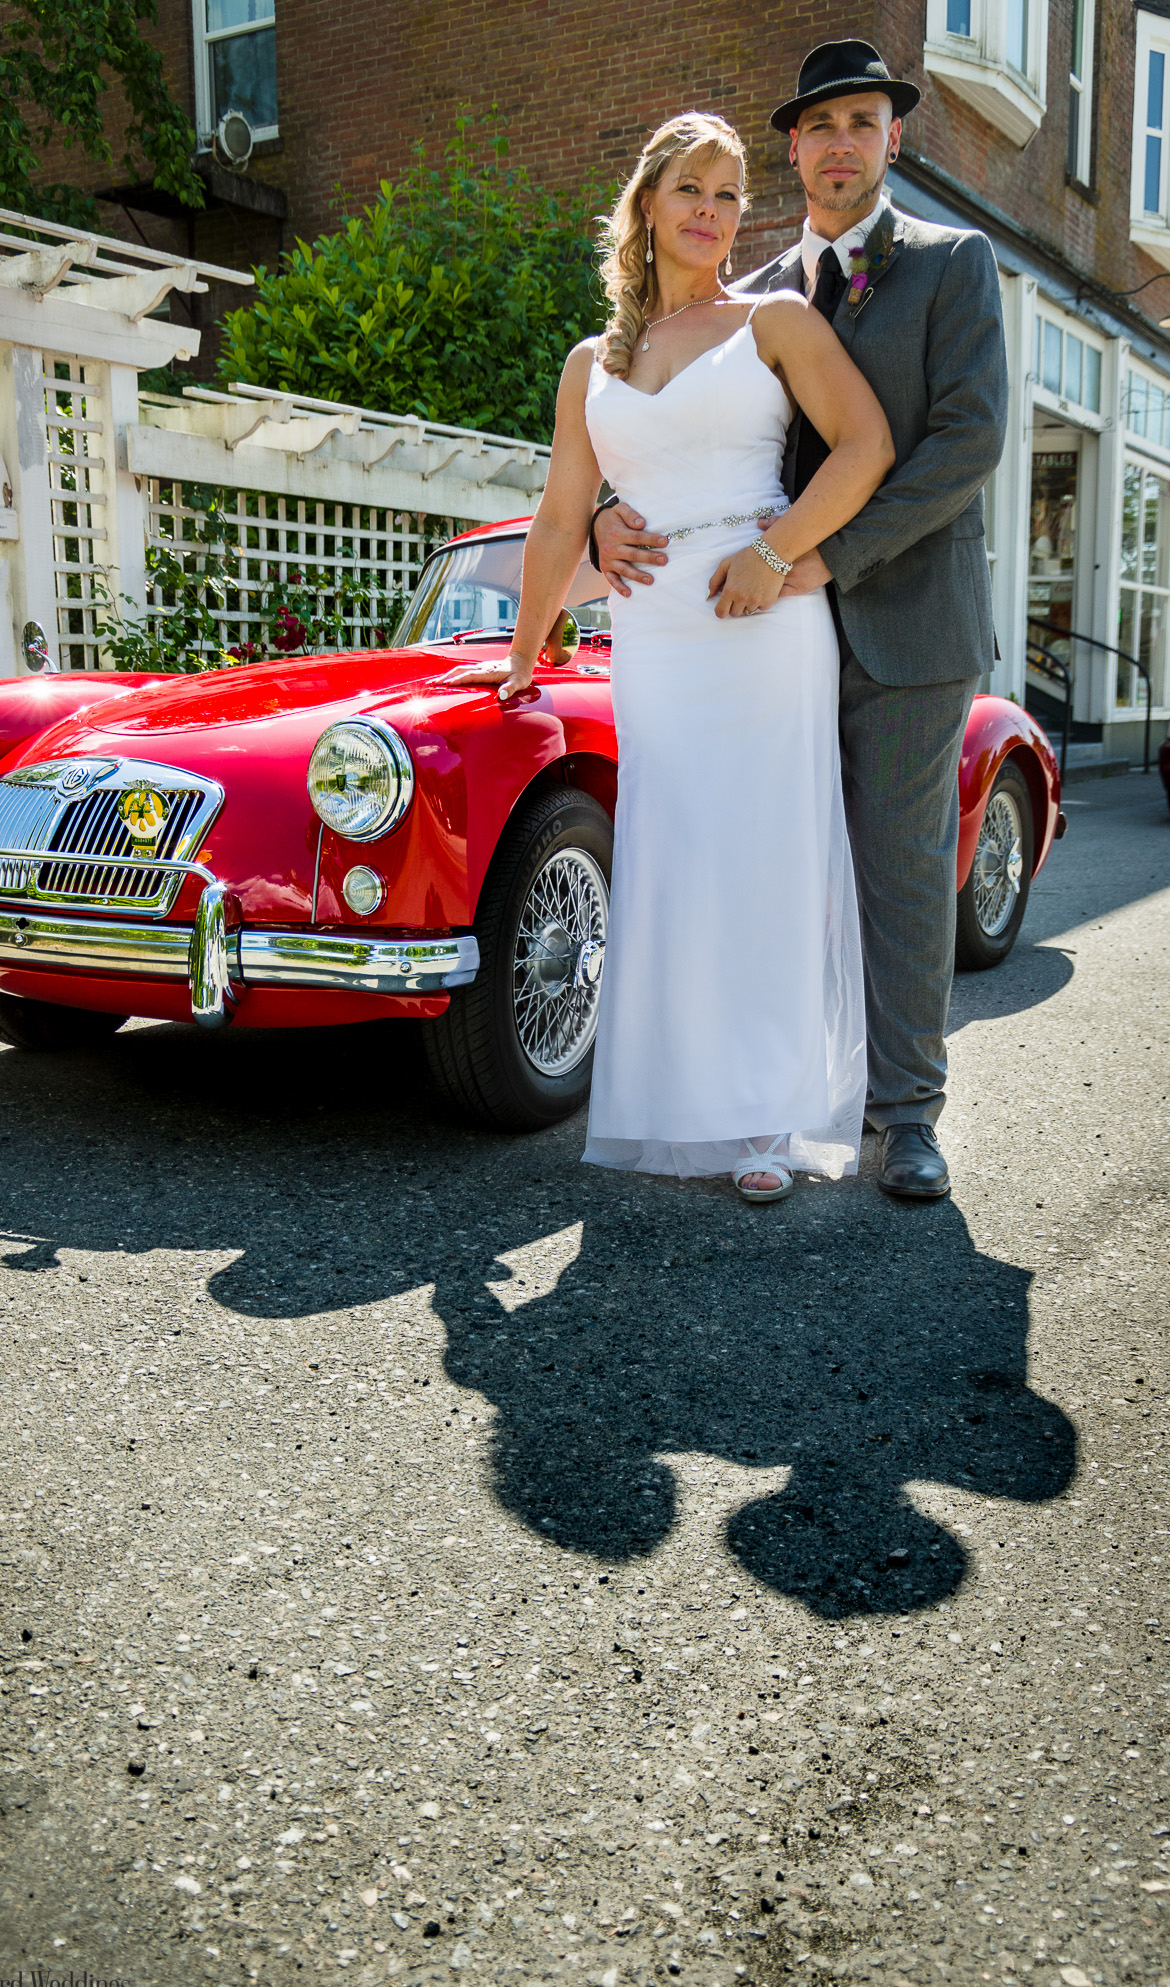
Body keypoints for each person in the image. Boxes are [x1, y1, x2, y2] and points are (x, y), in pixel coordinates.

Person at [591, 41, 1008, 1201]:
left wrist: (815, 557)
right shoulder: (755, 287)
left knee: (901, 871)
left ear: (891, 138)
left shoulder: (952, 263)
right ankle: (770, 1094)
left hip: (903, 627)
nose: (839, 144)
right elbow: (687, 446)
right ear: (794, 147)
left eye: (861, 122)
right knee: (769, 865)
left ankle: (907, 1113)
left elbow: (965, 443)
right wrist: (597, 535)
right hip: (757, 638)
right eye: (819, 126)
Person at [452, 111, 893, 1203]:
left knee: (764, 860)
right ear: (647, 202)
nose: (711, 212)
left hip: (762, 621)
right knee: (679, 862)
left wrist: (779, 549)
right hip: (653, 638)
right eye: (692, 188)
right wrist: (523, 657)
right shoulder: (587, 365)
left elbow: (867, 446)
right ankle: (684, 1099)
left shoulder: (776, 320)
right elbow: (560, 523)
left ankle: (764, 1115)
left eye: (732, 194)